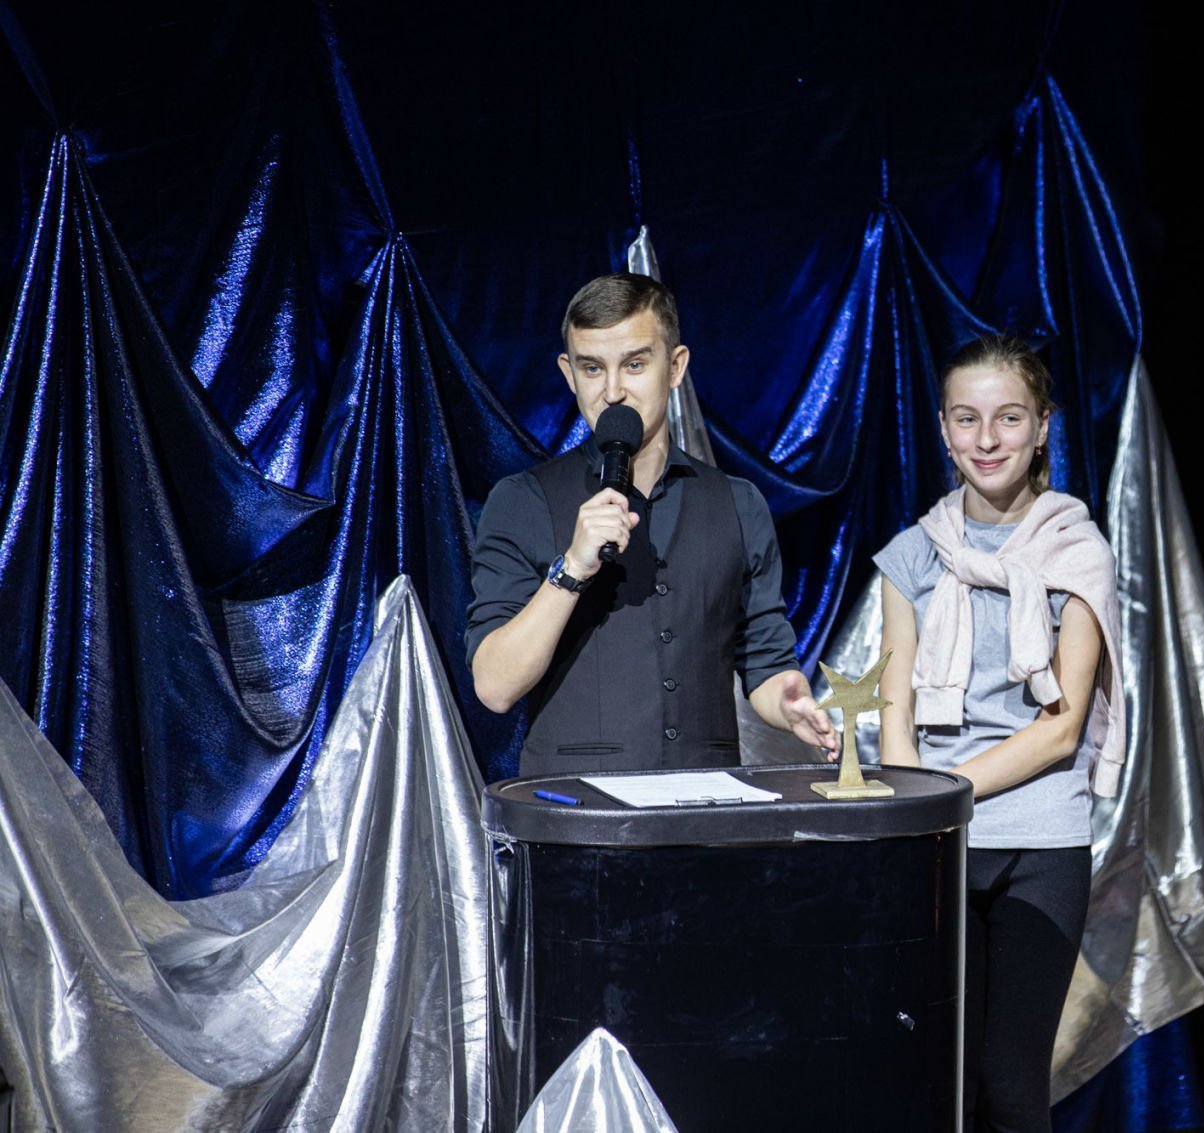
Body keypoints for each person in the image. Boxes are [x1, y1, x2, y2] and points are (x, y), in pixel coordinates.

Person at [874, 335, 1124, 1132]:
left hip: (1038, 847)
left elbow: (1062, 729)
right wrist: (916, 814)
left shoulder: (1076, 551)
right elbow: (894, 712)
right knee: (942, 1090)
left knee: (1011, 1089)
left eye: (1009, 417)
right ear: (944, 429)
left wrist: (941, 793)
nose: (987, 439)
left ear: (1043, 426)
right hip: (941, 845)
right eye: (967, 418)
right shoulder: (913, 555)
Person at [466, 272, 836, 773]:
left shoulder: (738, 502)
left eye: (635, 364)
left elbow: (765, 661)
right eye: (592, 368)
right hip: (578, 805)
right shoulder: (521, 500)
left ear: (675, 366)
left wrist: (787, 702)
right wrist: (571, 569)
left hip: (704, 799)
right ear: (569, 374)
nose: (613, 391)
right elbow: (494, 687)